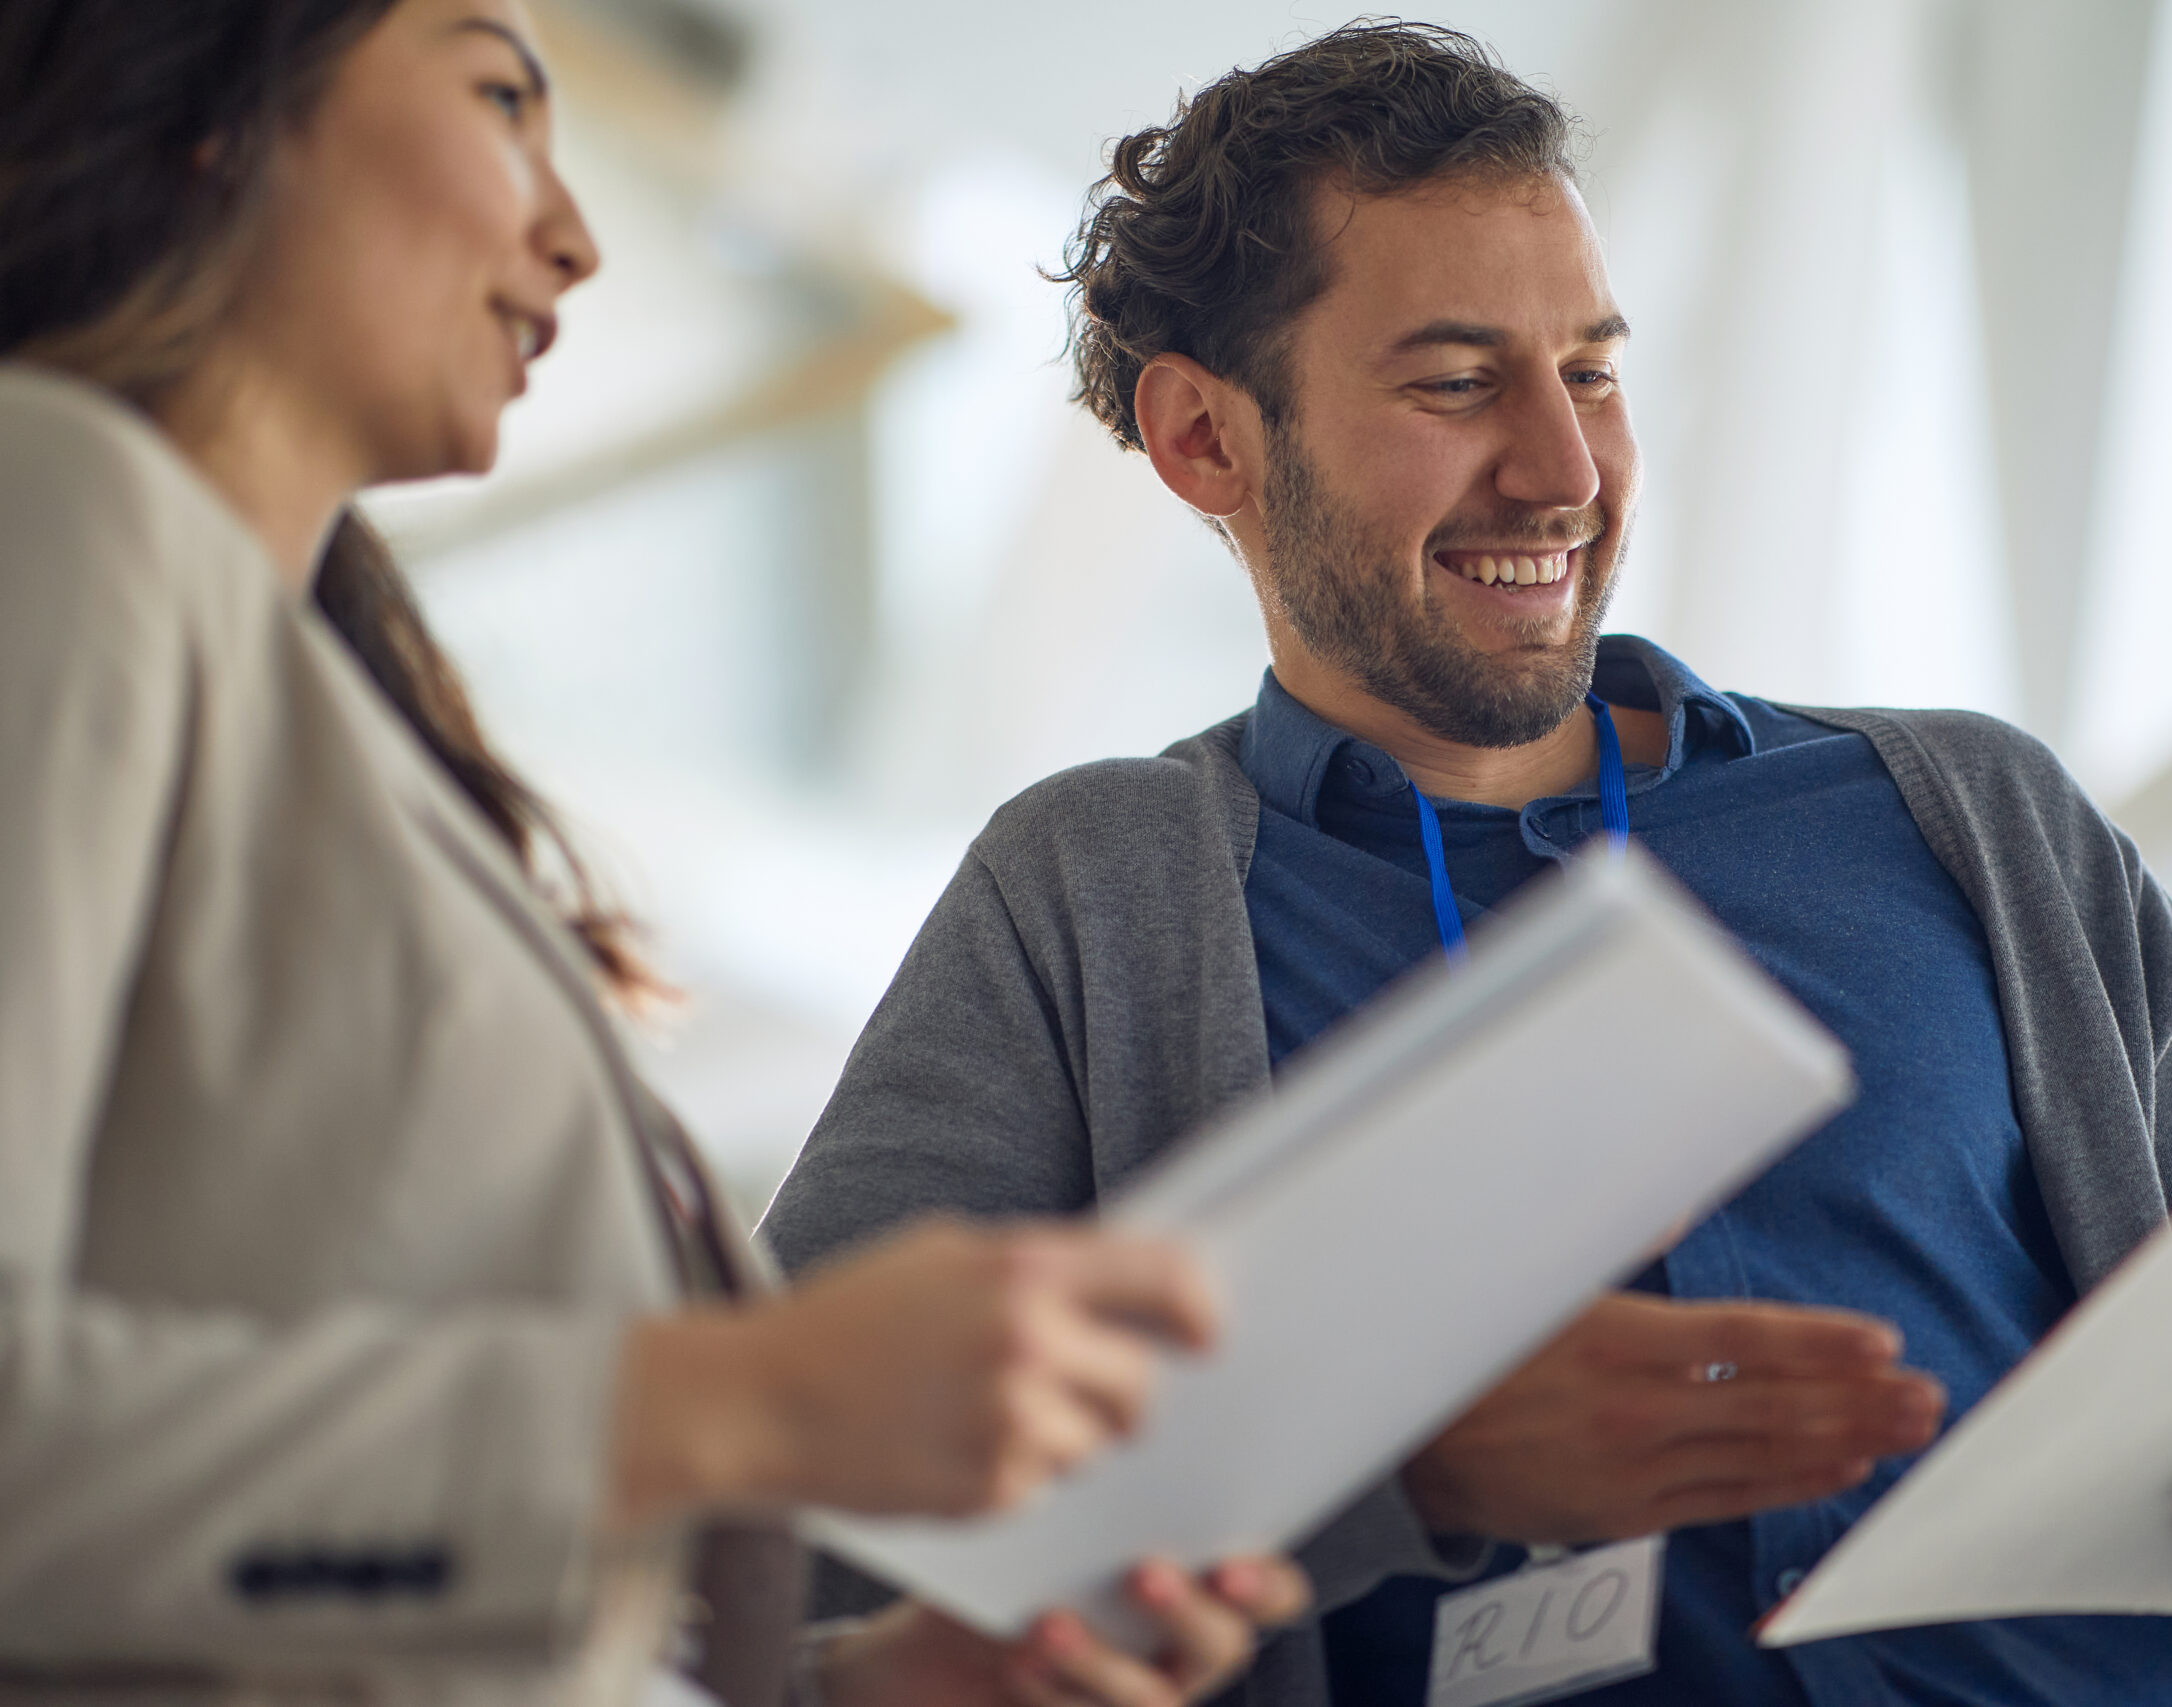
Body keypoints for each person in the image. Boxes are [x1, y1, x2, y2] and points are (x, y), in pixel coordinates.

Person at [760, 20, 2172, 1707]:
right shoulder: (1095, 899)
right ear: (1206, 436)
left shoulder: (1973, 816)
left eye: (1592, 371)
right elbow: (804, 1556)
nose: (1562, 469)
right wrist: (1393, 1479)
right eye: (1457, 384)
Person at [0, 3, 1311, 1704]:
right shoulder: (64, 506)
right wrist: (733, 1400)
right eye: (495, 97)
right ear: (215, 111)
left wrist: (870, 1688)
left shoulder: (338, 729)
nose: (577, 233)